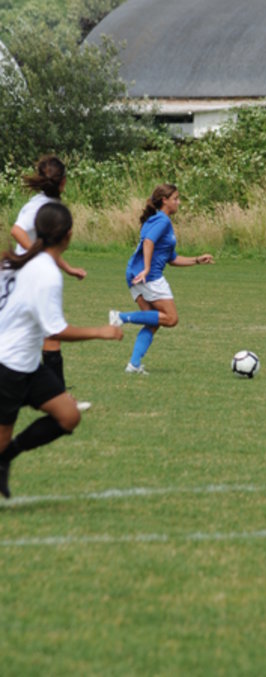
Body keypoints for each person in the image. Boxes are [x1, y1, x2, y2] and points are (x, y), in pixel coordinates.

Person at [0, 202, 123, 499]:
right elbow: (54, 330)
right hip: (8, 367)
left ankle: (6, 457)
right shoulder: (45, 272)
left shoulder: (22, 261)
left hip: (27, 365)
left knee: (68, 416)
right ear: (69, 234)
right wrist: (101, 332)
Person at [10, 155, 91, 410]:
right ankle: (61, 402)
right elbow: (17, 231)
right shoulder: (39, 205)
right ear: (63, 181)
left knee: (44, 337)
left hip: (28, 274)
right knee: (49, 336)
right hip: (26, 276)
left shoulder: (48, 204)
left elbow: (48, 248)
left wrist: (68, 268)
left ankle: (58, 399)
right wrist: (36, 255)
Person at [109, 184, 214, 373]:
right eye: (176, 198)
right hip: (148, 276)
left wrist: (197, 260)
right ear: (165, 200)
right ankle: (121, 317)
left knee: (153, 322)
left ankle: (133, 365)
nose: (179, 202)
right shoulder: (162, 221)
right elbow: (148, 242)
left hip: (135, 273)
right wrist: (147, 268)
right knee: (171, 319)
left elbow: (172, 259)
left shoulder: (158, 220)